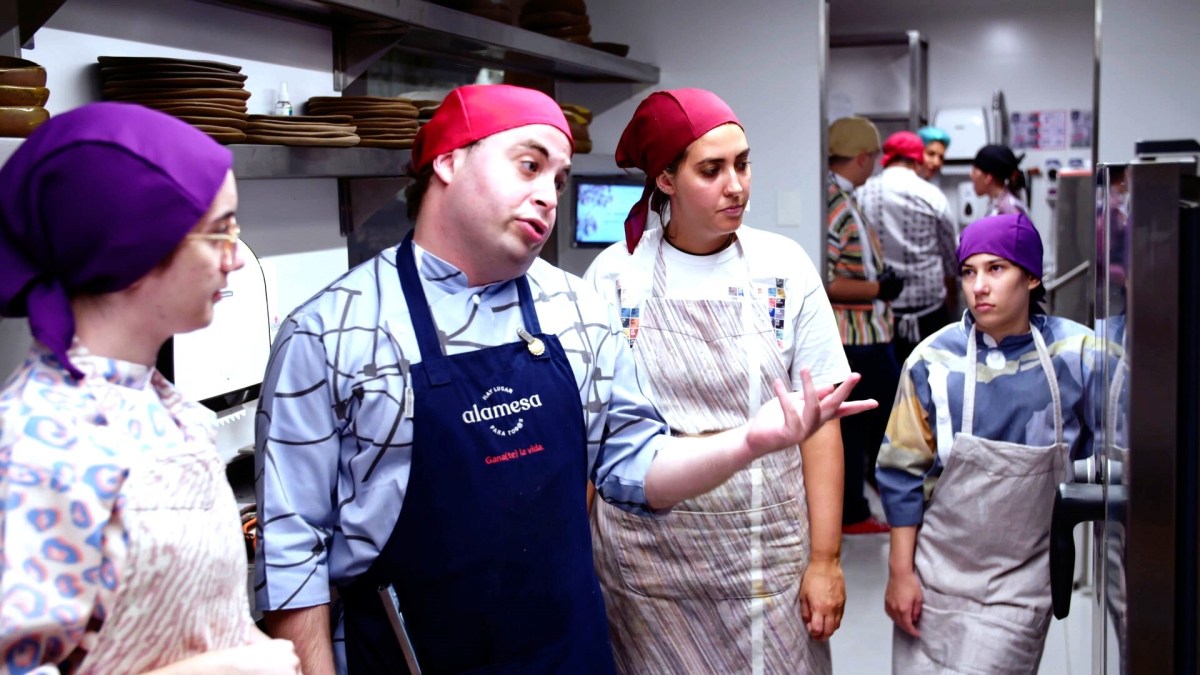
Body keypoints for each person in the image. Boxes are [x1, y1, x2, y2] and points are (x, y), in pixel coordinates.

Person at [253, 84, 873, 675]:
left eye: (558, 179)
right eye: (529, 166)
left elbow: (634, 465)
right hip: (412, 655)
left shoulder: (575, 310)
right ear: (447, 161)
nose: (550, 195)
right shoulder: (329, 334)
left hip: (566, 649)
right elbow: (291, 556)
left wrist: (749, 442)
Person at [0, 103, 299, 674]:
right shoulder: (40, 440)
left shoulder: (170, 409)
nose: (236, 260)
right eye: (221, 231)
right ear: (136, 240)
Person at [582, 89, 851, 674]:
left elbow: (820, 423)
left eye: (743, 164)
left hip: (764, 561)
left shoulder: (783, 269)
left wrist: (826, 558)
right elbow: (592, 432)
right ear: (666, 179)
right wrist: (573, 564)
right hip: (646, 567)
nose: (737, 186)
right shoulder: (616, 277)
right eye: (712, 170)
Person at [876, 212, 1101, 673]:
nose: (979, 286)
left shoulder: (1080, 356)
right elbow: (901, 474)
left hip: (1020, 585)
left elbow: (1124, 454)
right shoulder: (932, 362)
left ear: (1031, 277)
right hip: (934, 576)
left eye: (996, 269)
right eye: (968, 272)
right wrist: (900, 573)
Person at [824, 116, 901, 534]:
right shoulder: (835, 203)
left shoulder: (843, 197)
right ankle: (853, 511)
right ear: (861, 157)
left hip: (868, 333)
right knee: (861, 426)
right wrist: (878, 288)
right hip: (854, 337)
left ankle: (860, 503)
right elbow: (827, 279)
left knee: (862, 425)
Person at [858, 130, 959, 365]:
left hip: (881, 313)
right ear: (917, 160)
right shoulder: (932, 195)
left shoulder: (862, 193)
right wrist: (952, 305)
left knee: (889, 383)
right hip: (929, 313)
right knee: (932, 380)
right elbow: (950, 258)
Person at [972, 143, 1029, 216]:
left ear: (988, 178)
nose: (971, 175)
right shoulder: (998, 204)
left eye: (974, 170)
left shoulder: (1009, 209)